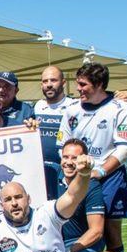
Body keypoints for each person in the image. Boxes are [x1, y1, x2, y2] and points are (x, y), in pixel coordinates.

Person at [57, 62, 127, 252]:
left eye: (83, 84)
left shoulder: (121, 108)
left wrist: (99, 172)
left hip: (108, 176)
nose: (78, 89)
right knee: (70, 224)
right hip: (76, 176)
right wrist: (73, 168)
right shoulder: (71, 110)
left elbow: (125, 148)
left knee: (111, 230)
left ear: (99, 84)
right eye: (78, 84)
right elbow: (62, 145)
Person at [35, 66, 79, 199]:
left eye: (53, 80)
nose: (48, 85)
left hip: (67, 171)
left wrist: (118, 97)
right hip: (41, 172)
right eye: (45, 81)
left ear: (63, 83)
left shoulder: (75, 105)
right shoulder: (37, 106)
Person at [59, 139, 105, 252]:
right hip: (56, 243)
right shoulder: (50, 176)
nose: (68, 162)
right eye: (65, 157)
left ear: (84, 159)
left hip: (82, 243)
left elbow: (96, 231)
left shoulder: (91, 185)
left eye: (74, 158)